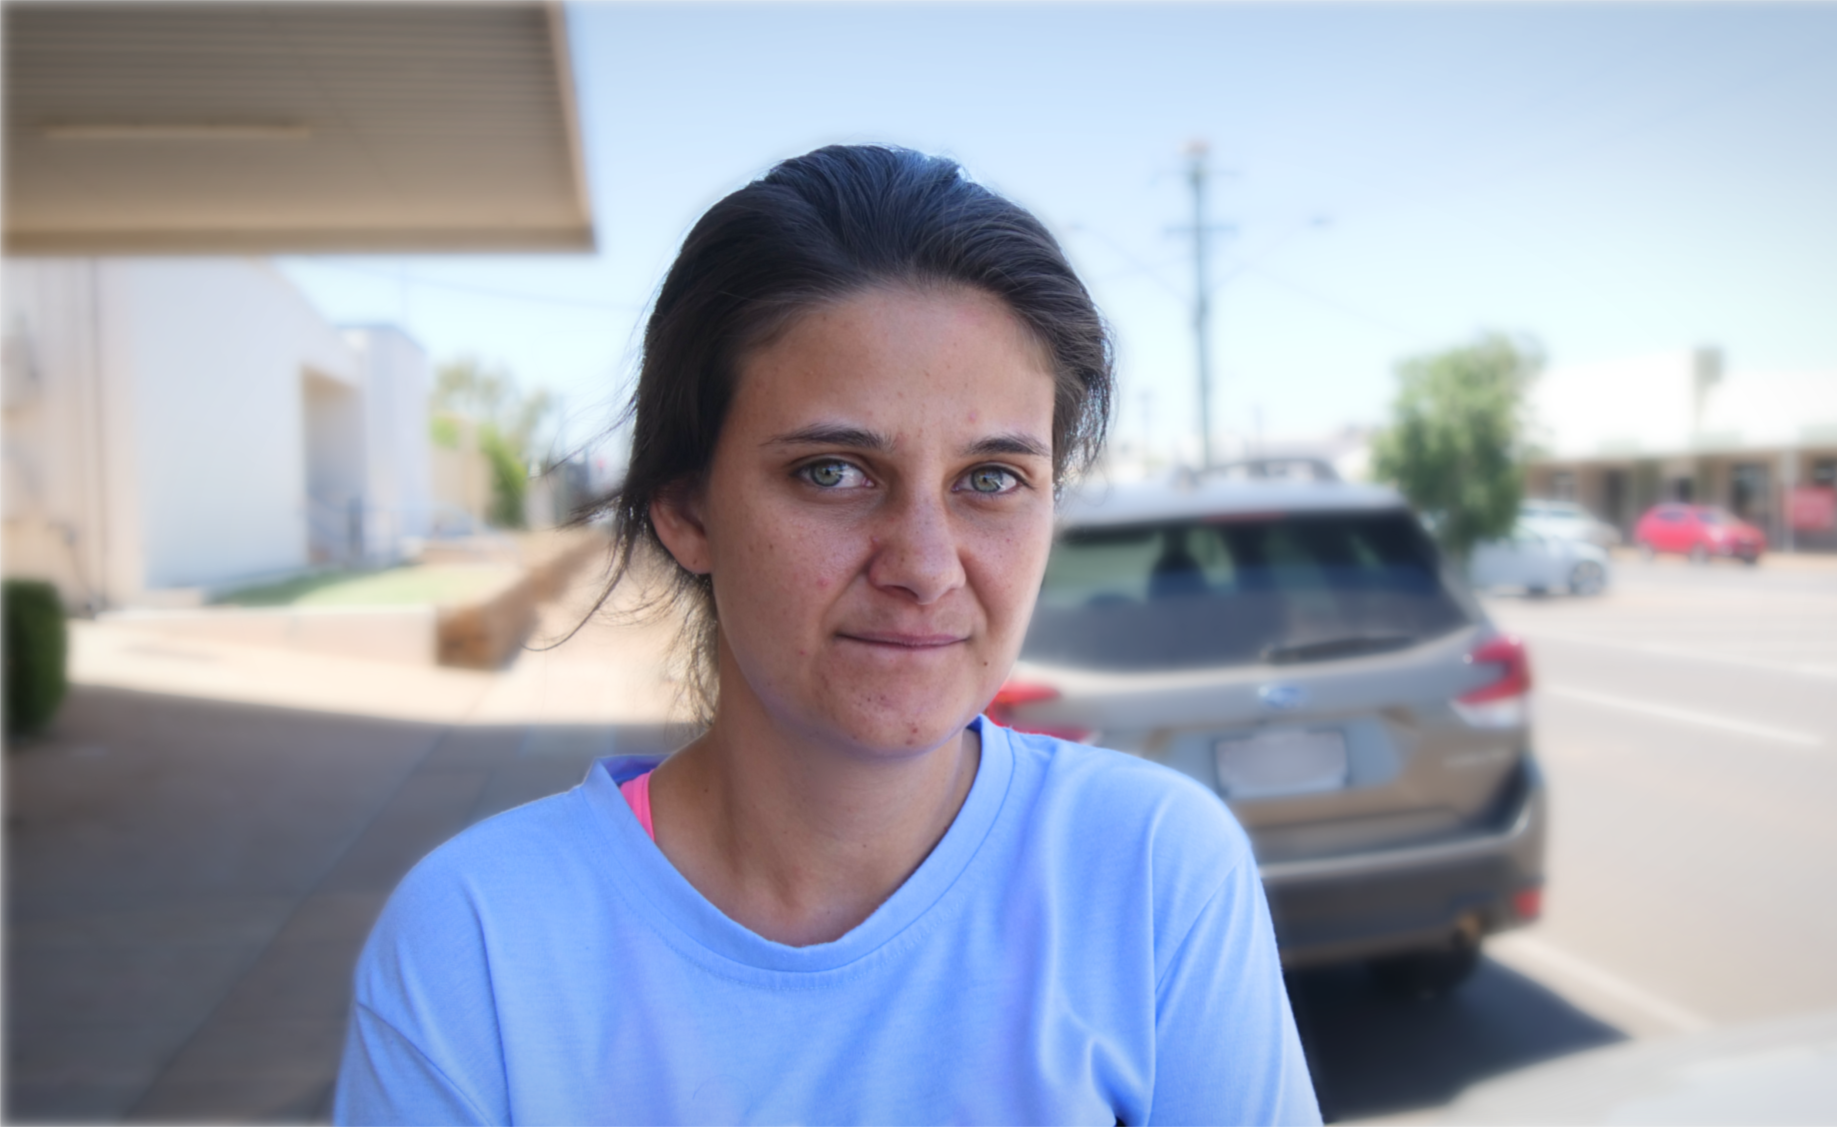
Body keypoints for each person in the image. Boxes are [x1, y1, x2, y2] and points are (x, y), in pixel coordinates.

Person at [335, 145, 1319, 1125]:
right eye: (833, 472)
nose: (926, 564)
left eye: (990, 479)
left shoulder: (1150, 871)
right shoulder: (479, 944)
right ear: (685, 506)